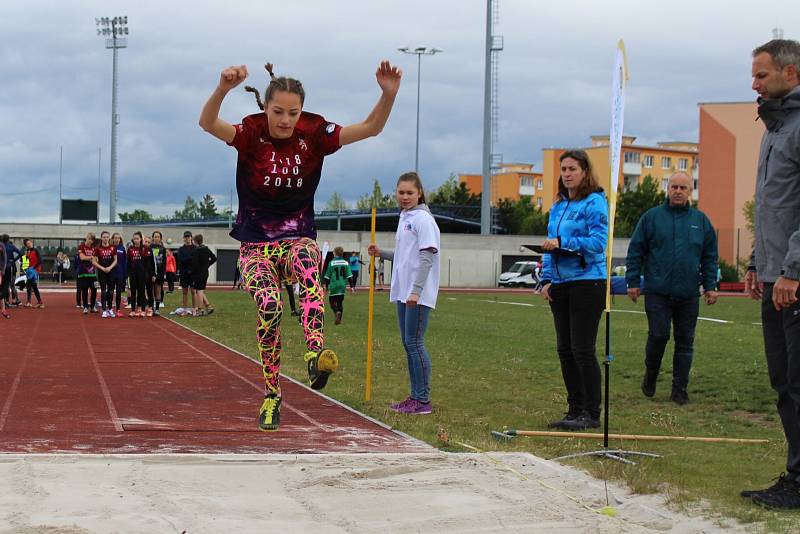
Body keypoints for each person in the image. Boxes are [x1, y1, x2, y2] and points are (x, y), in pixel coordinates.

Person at [199, 58, 401, 431]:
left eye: (292, 113)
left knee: (309, 270)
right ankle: (272, 394)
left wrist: (387, 94)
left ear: (301, 111)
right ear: (266, 107)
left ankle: (314, 352)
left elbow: (371, 128)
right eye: (278, 112)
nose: (285, 120)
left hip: (297, 238)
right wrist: (222, 90)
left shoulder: (314, 133)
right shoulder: (251, 132)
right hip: (255, 245)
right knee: (271, 307)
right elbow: (208, 123)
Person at [740, 39, 800, 509]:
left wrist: (793, 270)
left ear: (791, 74)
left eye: (762, 75)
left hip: (796, 282)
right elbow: (771, 208)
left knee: (799, 383)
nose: (754, 83)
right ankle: (795, 475)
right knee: (783, 383)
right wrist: (759, 264)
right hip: (776, 278)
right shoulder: (772, 129)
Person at [625, 172, 719, 405]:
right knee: (658, 335)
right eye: (674, 186)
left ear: (690, 192)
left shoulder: (701, 221)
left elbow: (709, 257)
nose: (678, 191)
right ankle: (651, 373)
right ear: (667, 189)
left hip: (688, 293)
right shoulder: (651, 218)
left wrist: (710, 286)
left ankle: (679, 389)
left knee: (685, 341)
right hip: (658, 291)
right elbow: (636, 251)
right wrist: (633, 281)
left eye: (683, 188)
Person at [539, 150, 608, 431]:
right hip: (561, 284)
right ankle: (574, 409)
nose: (567, 174)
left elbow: (598, 242)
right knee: (565, 350)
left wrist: (563, 241)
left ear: (584, 172)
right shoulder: (558, 206)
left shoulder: (595, 202)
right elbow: (548, 244)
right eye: (563, 169)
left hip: (587, 282)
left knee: (582, 350)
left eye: (572, 169)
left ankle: (591, 413)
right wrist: (545, 279)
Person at [368, 172, 440, 415]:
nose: (405, 197)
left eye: (410, 192)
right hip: (403, 291)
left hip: (415, 294)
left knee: (415, 343)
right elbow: (404, 255)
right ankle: (415, 395)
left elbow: (427, 256)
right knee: (408, 343)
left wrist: (416, 291)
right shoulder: (405, 217)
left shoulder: (423, 219)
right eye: (401, 192)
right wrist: (382, 253)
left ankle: (422, 400)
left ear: (419, 192)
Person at [323, 246, 352, 325]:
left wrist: (326, 286)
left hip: (334, 285)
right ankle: (340, 319)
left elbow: (327, 276)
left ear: (334, 253)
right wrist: (352, 287)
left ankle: (337, 312)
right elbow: (349, 276)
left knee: (331, 301)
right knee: (340, 302)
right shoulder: (345, 263)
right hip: (342, 285)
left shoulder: (331, 263)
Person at [93, 231, 118, 318]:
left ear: (109, 238)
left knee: (111, 291)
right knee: (103, 290)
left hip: (111, 271)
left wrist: (110, 268)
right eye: (104, 237)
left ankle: (110, 309)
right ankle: (104, 310)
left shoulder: (113, 248)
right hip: (102, 271)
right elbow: (94, 261)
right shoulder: (97, 248)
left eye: (107, 237)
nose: (105, 238)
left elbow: (115, 260)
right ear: (101, 238)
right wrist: (102, 268)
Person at [189, 234, 216, 316]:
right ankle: (208, 306)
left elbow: (195, 263)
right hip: (205, 272)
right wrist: (207, 265)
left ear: (196, 241)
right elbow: (214, 258)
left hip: (198, 273)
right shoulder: (206, 249)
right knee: (200, 290)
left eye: (193, 241)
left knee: (199, 291)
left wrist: (192, 272)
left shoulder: (197, 250)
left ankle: (200, 310)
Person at [127, 231, 151, 317]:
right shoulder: (130, 249)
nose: (136, 240)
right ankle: (133, 310)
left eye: (137, 238)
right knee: (133, 292)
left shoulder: (144, 248)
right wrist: (129, 273)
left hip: (142, 273)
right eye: (134, 239)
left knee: (141, 292)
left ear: (141, 239)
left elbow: (147, 262)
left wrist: (146, 273)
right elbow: (128, 262)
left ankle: (143, 310)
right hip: (133, 273)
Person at [77, 233, 98, 314]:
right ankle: (85, 307)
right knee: (84, 290)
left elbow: (96, 260)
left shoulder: (94, 249)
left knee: (95, 289)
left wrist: (92, 258)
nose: (90, 240)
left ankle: (93, 307)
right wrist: (91, 257)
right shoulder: (81, 247)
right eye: (88, 238)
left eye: (91, 239)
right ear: (86, 238)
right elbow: (82, 257)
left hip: (93, 273)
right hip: (83, 273)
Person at [176, 231, 196, 316]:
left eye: (188, 237)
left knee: (193, 291)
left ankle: (195, 308)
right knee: (184, 292)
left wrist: (188, 259)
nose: (187, 238)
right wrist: (190, 258)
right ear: (184, 238)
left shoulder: (195, 248)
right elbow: (180, 260)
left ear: (191, 237)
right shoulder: (181, 249)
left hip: (193, 273)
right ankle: (184, 309)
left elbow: (195, 260)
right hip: (184, 273)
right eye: (186, 237)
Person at [22, 238, 44, 308]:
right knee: (31, 286)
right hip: (29, 270)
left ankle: (34, 302)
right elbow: (25, 262)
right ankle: (37, 302)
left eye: (30, 243)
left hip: (34, 270)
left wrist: (34, 268)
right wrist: (25, 256)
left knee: (31, 285)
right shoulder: (27, 252)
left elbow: (40, 260)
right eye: (28, 244)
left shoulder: (36, 250)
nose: (29, 244)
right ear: (26, 245)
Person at [150, 231, 167, 315]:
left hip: (159, 272)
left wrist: (163, 273)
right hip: (151, 272)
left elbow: (164, 262)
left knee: (158, 289)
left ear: (160, 238)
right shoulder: (149, 247)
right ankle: (151, 308)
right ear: (152, 238)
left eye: (158, 237)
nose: (156, 238)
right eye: (155, 236)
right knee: (151, 290)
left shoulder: (163, 249)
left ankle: (157, 309)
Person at [1, 235, 21, 307]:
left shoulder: (2, 246)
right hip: (10, 267)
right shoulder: (11, 246)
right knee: (9, 285)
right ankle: (8, 301)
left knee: (6, 285)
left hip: (4, 268)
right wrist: (14, 260)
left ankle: (6, 301)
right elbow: (20, 253)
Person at [111, 232, 127, 318]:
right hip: (111, 273)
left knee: (118, 292)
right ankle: (109, 309)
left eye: (118, 238)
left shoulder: (122, 248)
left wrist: (125, 274)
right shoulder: (110, 248)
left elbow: (125, 262)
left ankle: (118, 310)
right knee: (110, 291)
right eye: (115, 238)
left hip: (120, 273)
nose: (117, 239)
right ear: (112, 239)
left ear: (120, 239)